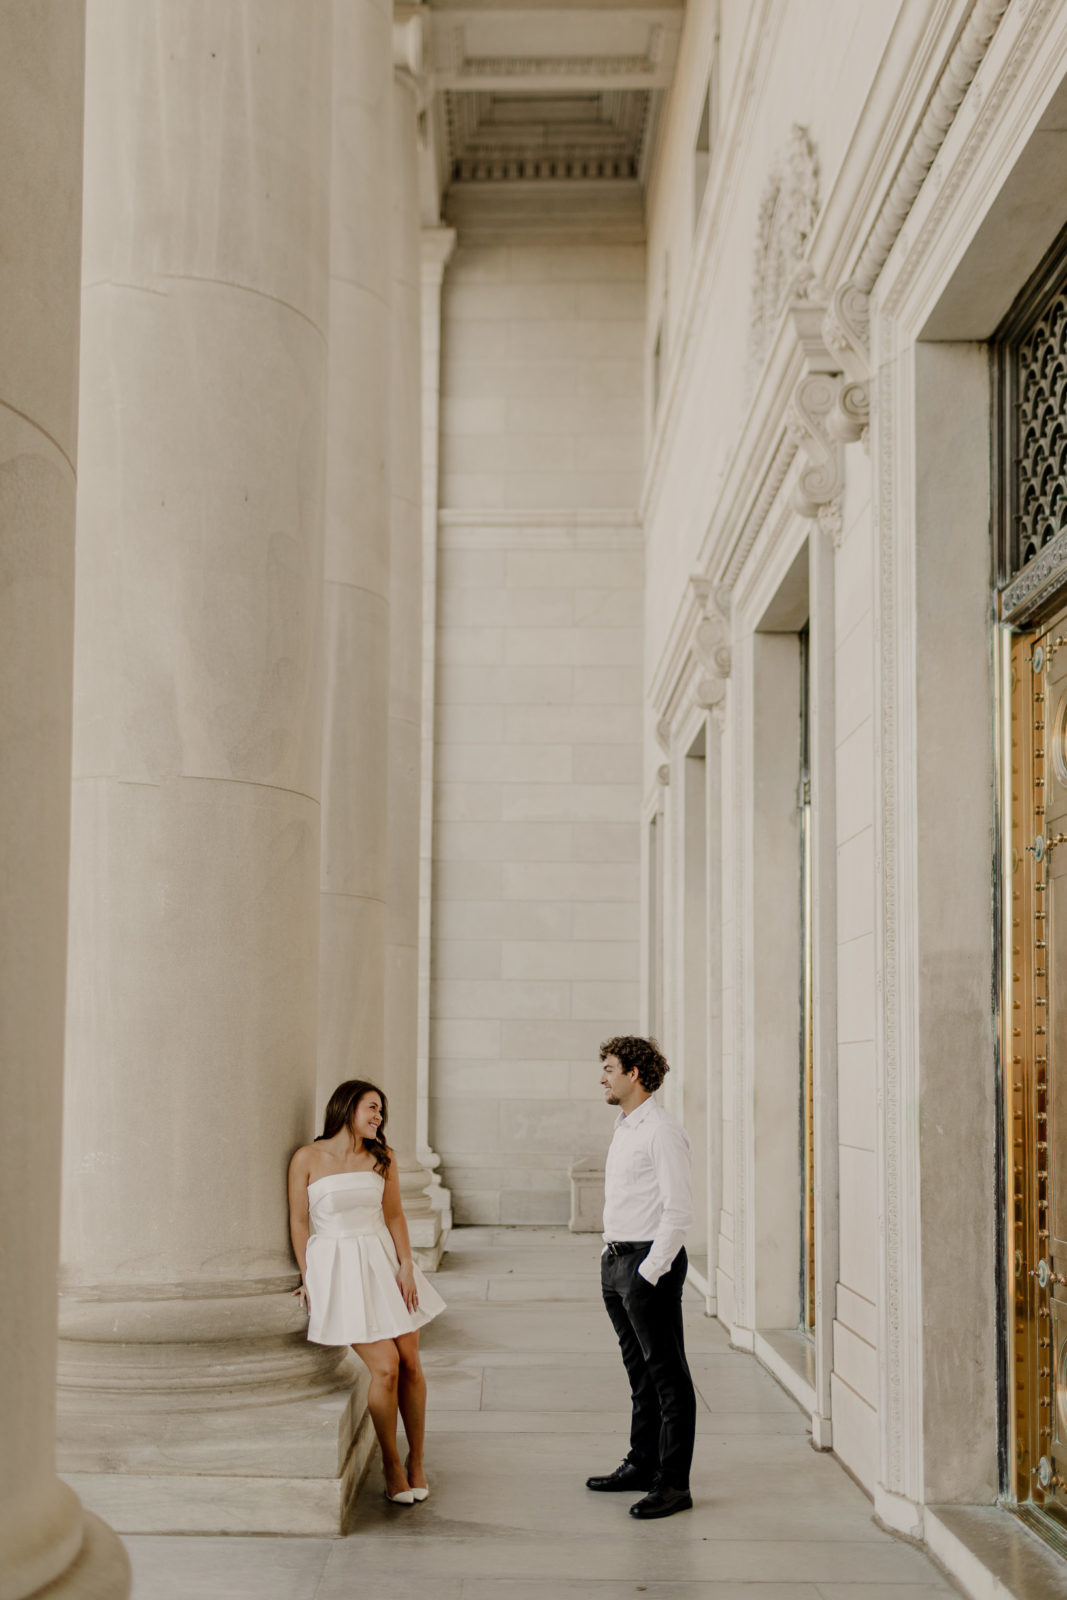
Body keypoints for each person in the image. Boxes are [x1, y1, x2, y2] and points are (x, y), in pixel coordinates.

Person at [288, 1079, 445, 1506]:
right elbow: (300, 1223)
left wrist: (407, 1265)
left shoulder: (383, 1157)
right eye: (372, 1108)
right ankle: (391, 1463)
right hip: (339, 1269)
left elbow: (394, 1215)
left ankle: (417, 1460)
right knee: (387, 1367)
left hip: (383, 1262)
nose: (378, 1117)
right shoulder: (307, 1157)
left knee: (411, 1363)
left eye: (381, 1112)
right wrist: (308, 1276)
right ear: (347, 1106)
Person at [587, 1035, 696, 1520]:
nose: (603, 1076)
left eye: (609, 1067)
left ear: (634, 1073)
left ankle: (673, 1485)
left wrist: (650, 1272)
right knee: (639, 1374)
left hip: (648, 1265)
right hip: (617, 1262)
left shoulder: (662, 1131)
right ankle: (642, 1462)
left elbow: (678, 1211)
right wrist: (612, 1259)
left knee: (668, 1378)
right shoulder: (625, 1126)